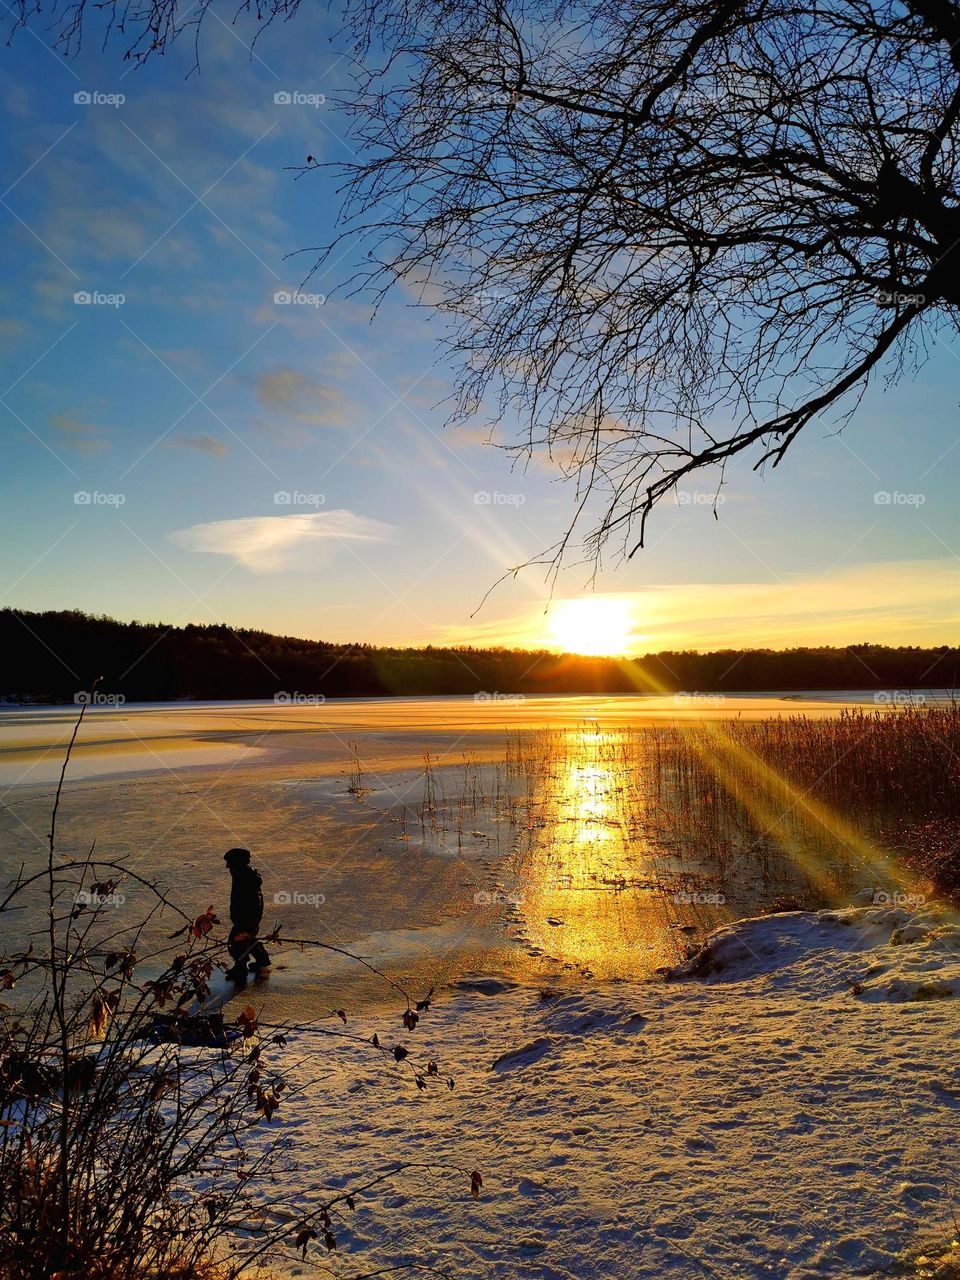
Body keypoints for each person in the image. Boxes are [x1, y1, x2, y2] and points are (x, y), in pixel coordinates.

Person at [223, 847, 271, 980]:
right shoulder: (245, 875)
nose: (227, 866)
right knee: (248, 938)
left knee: (236, 941)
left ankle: (241, 968)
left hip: (246, 917)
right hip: (249, 916)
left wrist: (243, 918)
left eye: (229, 863)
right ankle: (262, 961)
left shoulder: (242, 877)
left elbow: (246, 899)